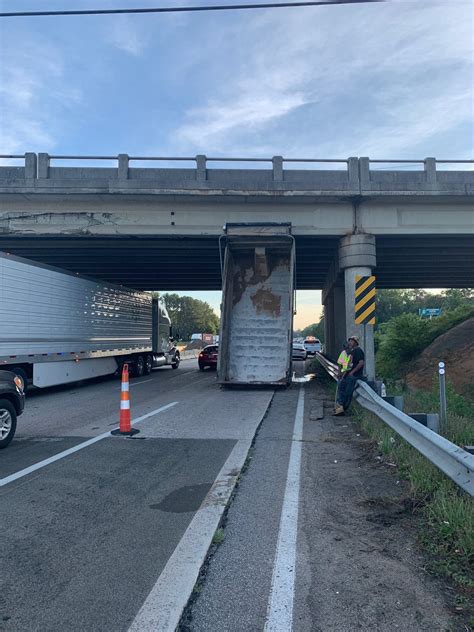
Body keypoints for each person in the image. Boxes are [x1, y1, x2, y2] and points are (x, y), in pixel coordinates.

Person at [334, 336, 365, 415]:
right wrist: (344, 374)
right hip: (347, 375)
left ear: (355, 342)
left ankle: (343, 409)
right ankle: (339, 409)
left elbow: (361, 363)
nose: (349, 343)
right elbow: (349, 365)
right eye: (349, 341)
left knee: (348, 392)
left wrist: (352, 372)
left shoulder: (358, 351)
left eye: (351, 341)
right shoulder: (352, 351)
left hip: (353, 376)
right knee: (341, 388)